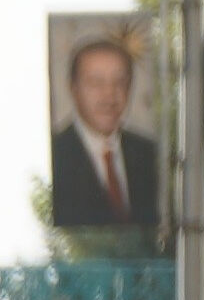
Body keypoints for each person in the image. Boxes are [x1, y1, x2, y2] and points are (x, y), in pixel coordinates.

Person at [49, 34, 164, 234]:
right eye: (96, 83)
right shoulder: (56, 154)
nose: (109, 95)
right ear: (73, 88)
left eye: (119, 82)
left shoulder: (149, 153)